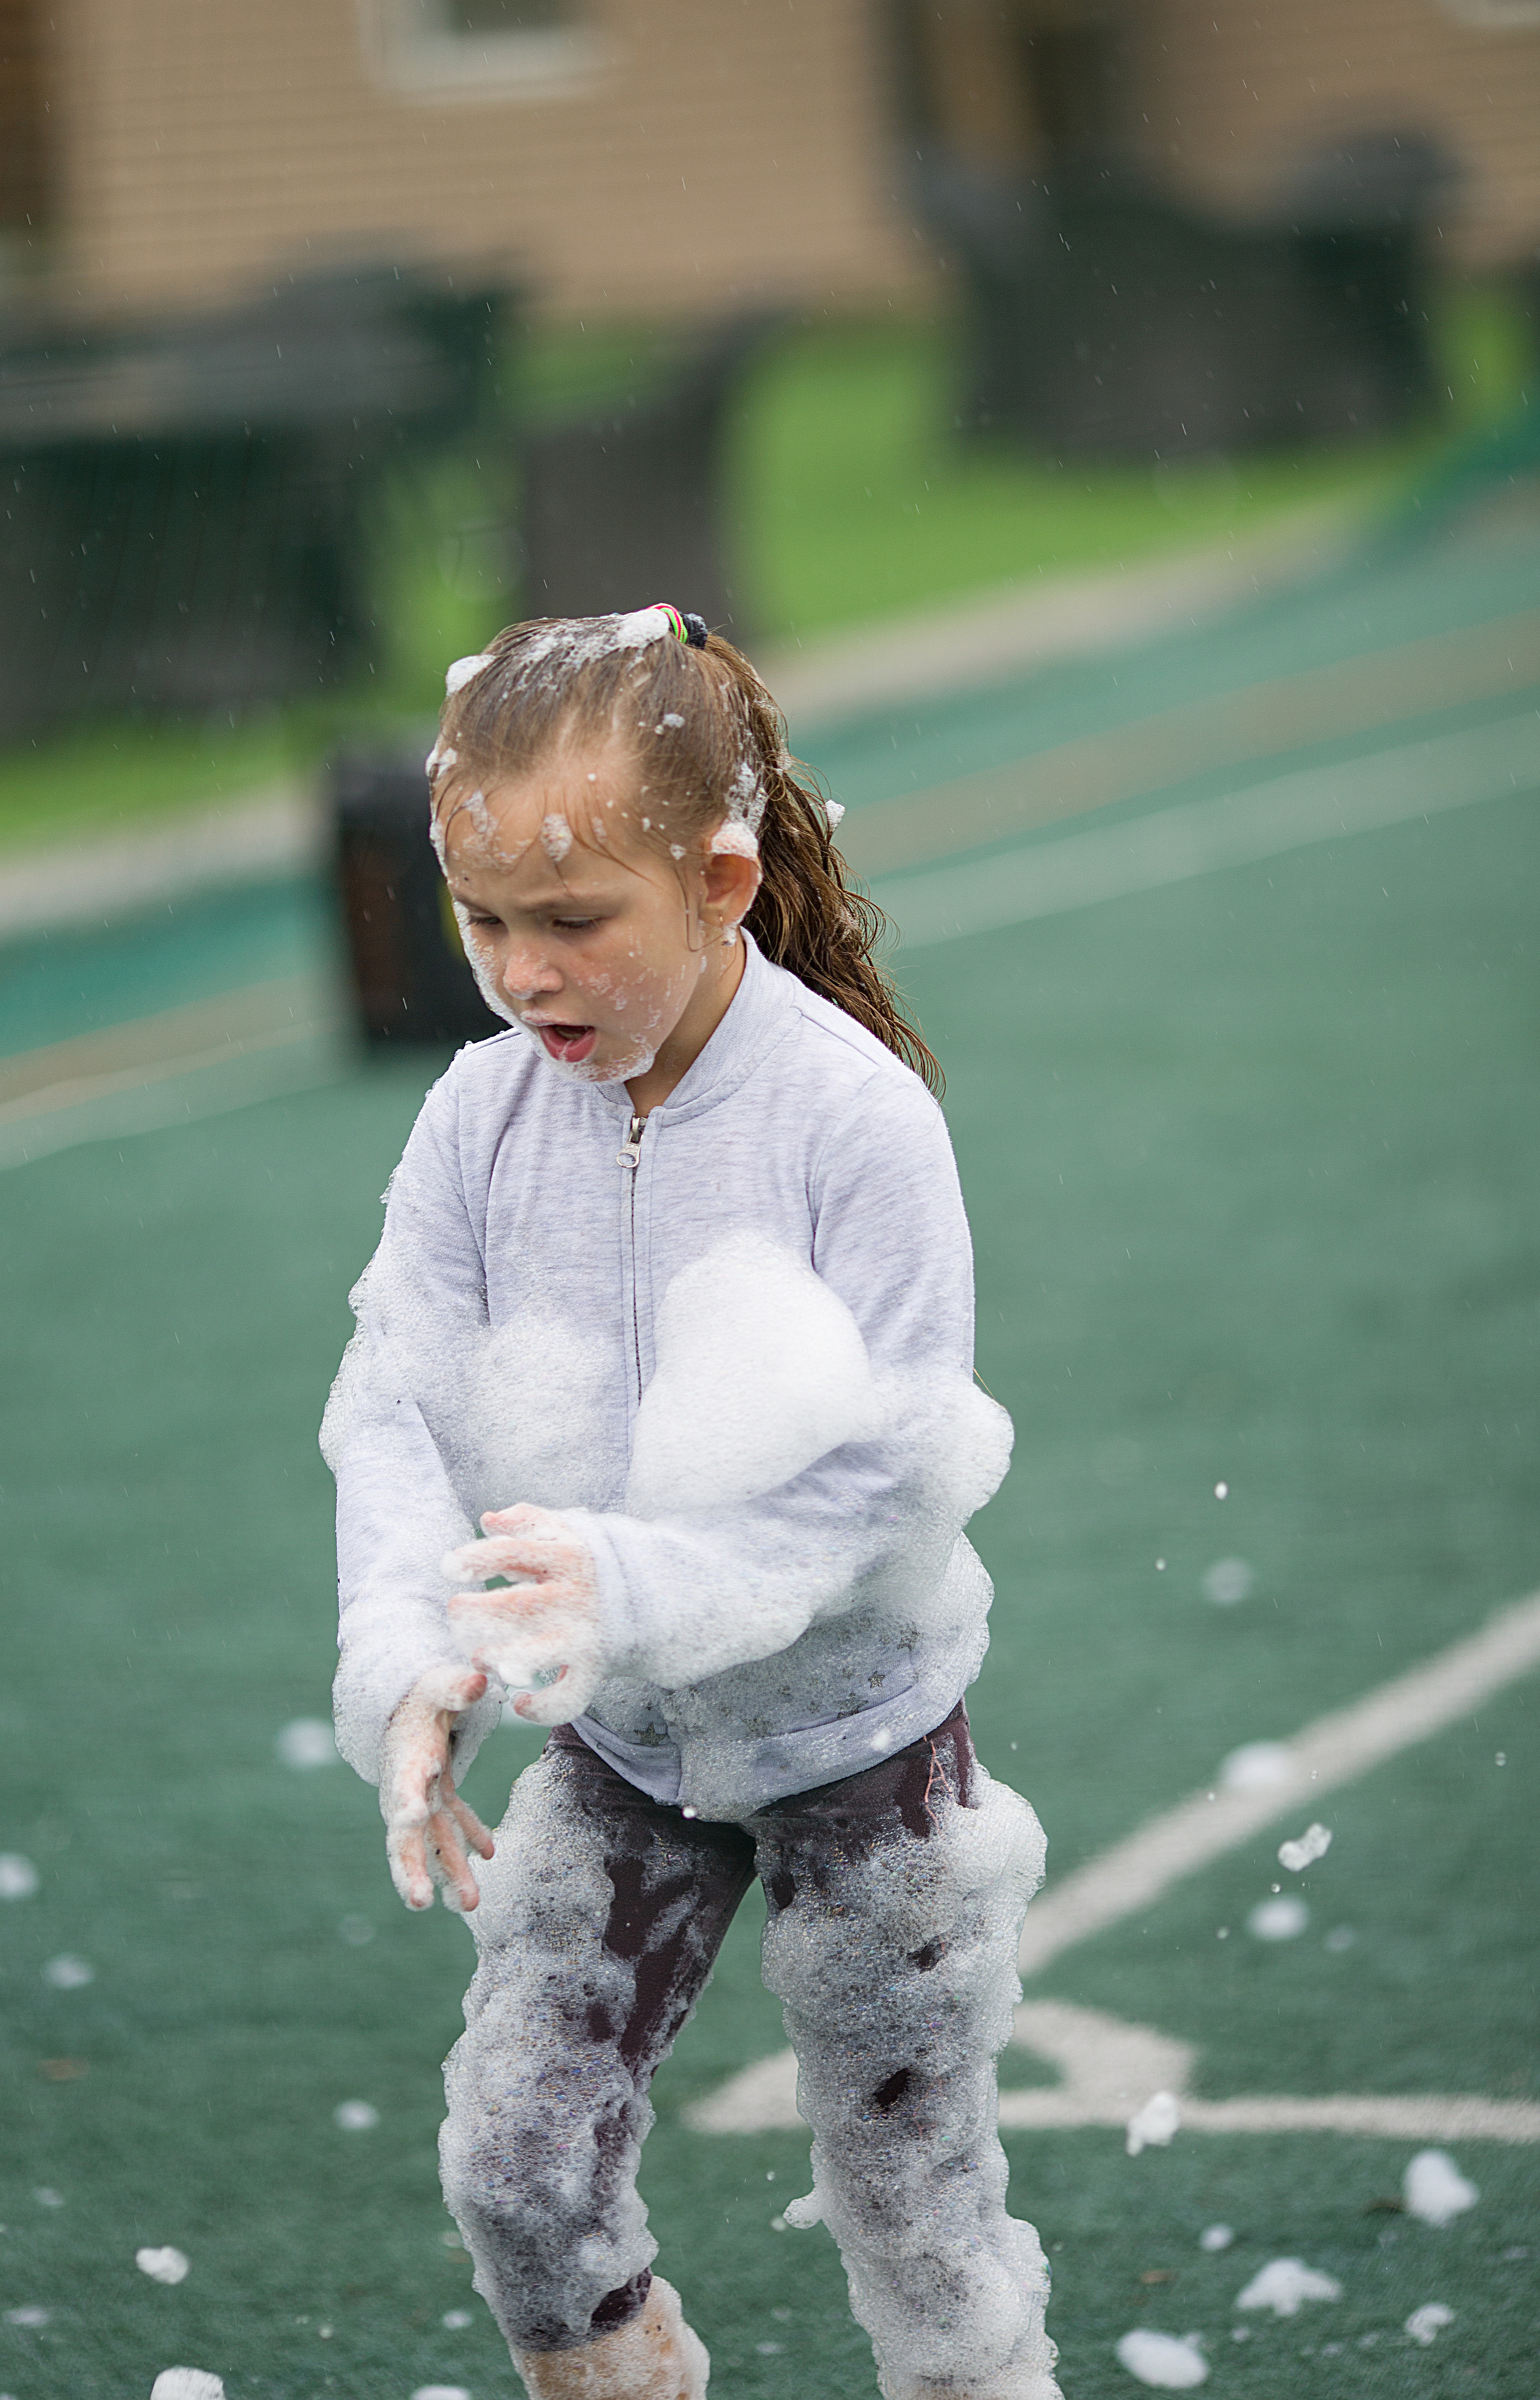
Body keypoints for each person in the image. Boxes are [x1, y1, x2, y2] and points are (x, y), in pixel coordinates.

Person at [320, 604, 1061, 2400]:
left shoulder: (853, 1119)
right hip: (628, 1749)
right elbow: (400, 1406)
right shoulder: (477, 1123)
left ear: (724, 879)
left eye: (575, 921)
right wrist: (414, 1648)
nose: (522, 972)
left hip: (862, 1747)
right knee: (514, 2169)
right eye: (483, 922)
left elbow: (890, 1466)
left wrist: (630, 1586)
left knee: (919, 2217)